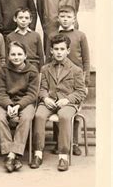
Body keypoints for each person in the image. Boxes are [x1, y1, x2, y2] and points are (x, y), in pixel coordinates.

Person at [30, 35, 86, 172]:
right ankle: (38, 153)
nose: (59, 52)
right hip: (49, 101)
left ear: (68, 50)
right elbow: (42, 88)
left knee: (65, 116)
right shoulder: (45, 69)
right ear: (51, 51)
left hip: (67, 103)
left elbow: (81, 91)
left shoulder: (76, 70)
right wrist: (44, 98)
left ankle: (63, 156)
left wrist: (67, 100)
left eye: (62, 49)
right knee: (39, 115)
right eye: (56, 49)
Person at [45, 5, 90, 156]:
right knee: (57, 105)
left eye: (68, 17)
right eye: (62, 17)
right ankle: (60, 142)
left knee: (73, 112)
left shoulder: (80, 35)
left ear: (74, 18)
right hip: (57, 78)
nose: (65, 19)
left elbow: (86, 59)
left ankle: (74, 142)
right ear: (58, 18)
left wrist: (86, 82)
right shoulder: (52, 35)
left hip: (75, 80)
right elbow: (47, 58)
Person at [0, 41, 39, 172]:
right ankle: (11, 154)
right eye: (13, 54)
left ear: (25, 55)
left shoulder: (32, 70)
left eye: (20, 54)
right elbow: (0, 92)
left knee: (26, 118)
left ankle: (12, 155)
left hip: (25, 102)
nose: (16, 57)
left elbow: (32, 94)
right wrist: (8, 105)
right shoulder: (4, 70)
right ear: (8, 56)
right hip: (7, 101)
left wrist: (19, 106)